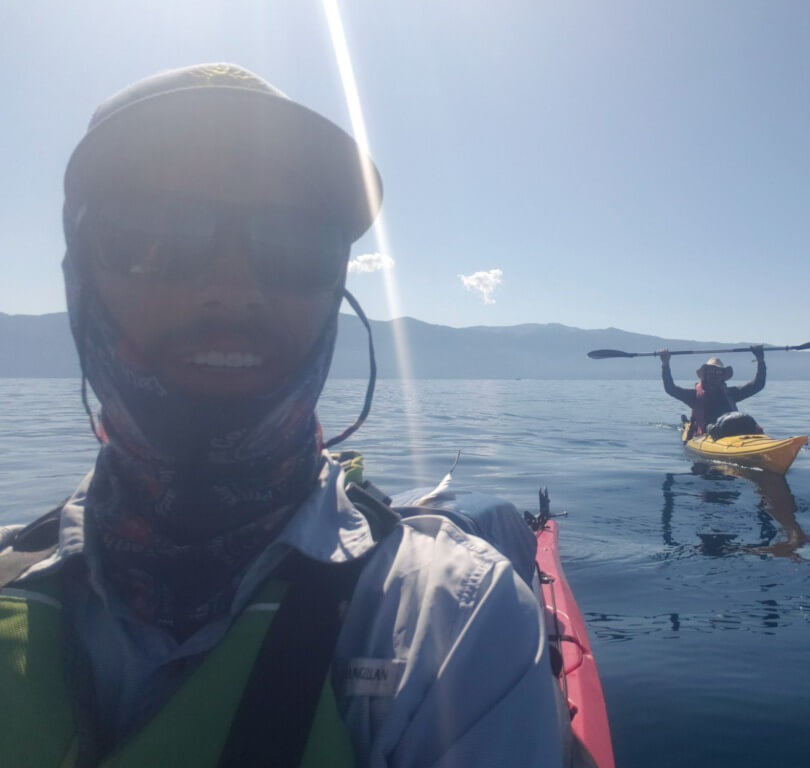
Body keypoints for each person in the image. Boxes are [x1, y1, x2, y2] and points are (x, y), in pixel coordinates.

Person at [0, 63, 566, 767]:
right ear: (81, 277)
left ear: (334, 290)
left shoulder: (450, 624)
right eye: (159, 234)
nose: (235, 290)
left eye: (295, 244)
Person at [658, 346, 766, 438]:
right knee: (713, 428)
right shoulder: (693, 396)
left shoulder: (732, 393)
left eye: (718, 372)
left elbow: (757, 385)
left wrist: (760, 359)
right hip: (708, 436)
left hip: (733, 435)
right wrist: (665, 364)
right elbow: (670, 389)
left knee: (746, 421)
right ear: (705, 375)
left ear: (723, 376)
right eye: (711, 372)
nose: (714, 376)